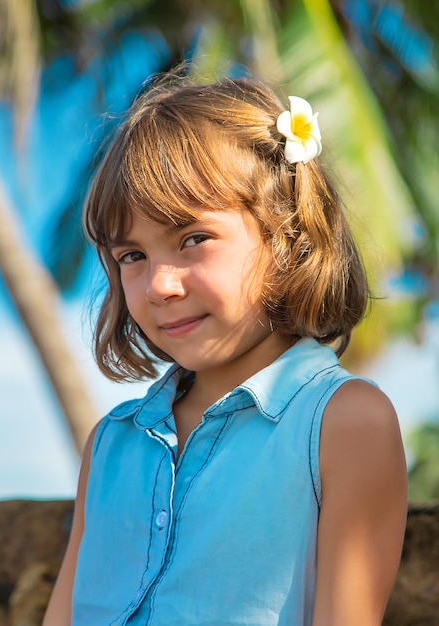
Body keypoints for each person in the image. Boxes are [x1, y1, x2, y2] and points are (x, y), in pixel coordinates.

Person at [43, 74, 407, 626]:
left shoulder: (342, 422)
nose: (160, 284)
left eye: (193, 239)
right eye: (131, 256)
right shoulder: (111, 443)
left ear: (287, 236)